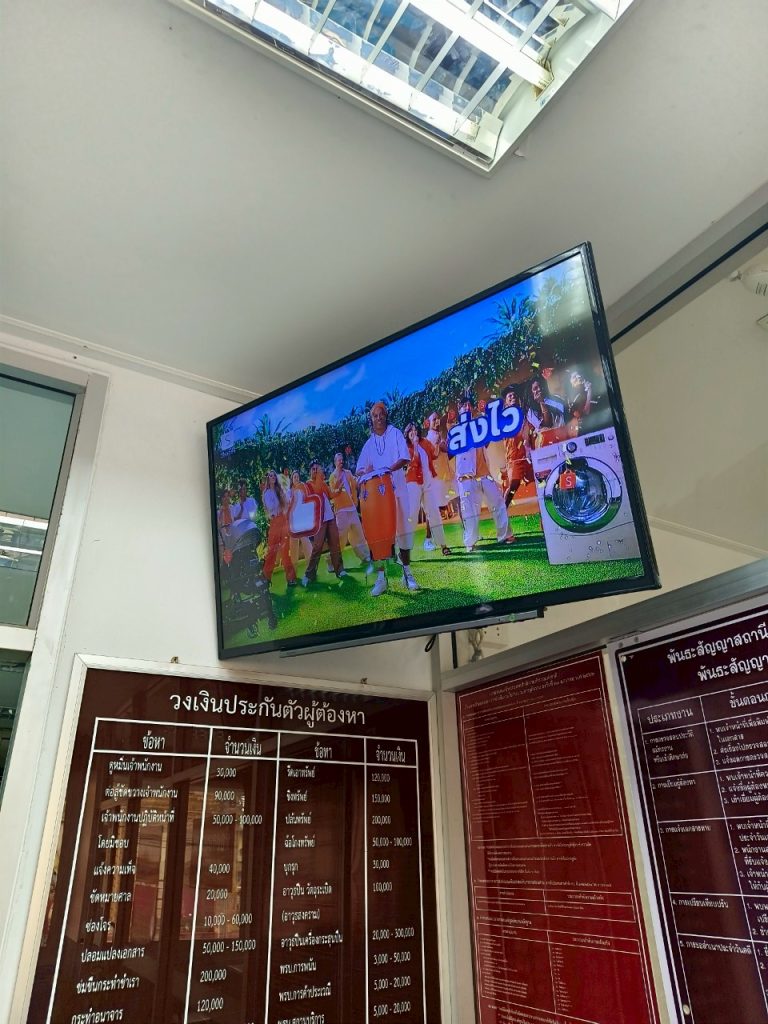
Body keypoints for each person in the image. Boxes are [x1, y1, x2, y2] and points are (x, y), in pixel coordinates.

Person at [356, 401, 418, 597]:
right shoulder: (368, 444)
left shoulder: (396, 433)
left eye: (381, 414)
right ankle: (382, 579)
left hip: (398, 491)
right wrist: (366, 471)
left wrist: (385, 471)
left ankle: (407, 573)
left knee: (404, 532)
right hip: (378, 499)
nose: (378, 418)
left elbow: (405, 458)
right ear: (371, 419)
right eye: (375, 415)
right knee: (379, 536)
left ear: (386, 415)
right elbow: (359, 470)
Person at [454, 394, 511, 551]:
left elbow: (486, 441)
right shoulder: (456, 431)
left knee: (498, 503)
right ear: (459, 409)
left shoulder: (479, 425)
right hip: (466, 478)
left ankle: (505, 535)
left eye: (468, 405)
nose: (467, 407)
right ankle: (470, 543)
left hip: (485, 475)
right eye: (463, 405)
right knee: (470, 513)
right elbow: (448, 449)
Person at [404, 423, 451, 556]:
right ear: (407, 433)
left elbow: (434, 454)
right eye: (411, 430)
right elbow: (414, 462)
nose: (414, 432)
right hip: (413, 483)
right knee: (412, 515)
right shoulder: (406, 447)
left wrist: (438, 442)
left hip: (428, 483)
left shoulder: (425, 442)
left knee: (434, 513)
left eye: (415, 430)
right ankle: (404, 550)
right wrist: (415, 445)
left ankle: (443, 545)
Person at [301, 462, 347, 586]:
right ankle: (309, 575)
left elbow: (331, 494)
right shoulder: (308, 485)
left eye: (317, 469)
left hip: (330, 517)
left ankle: (340, 570)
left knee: (335, 544)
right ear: (310, 472)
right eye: (313, 469)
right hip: (319, 520)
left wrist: (338, 490)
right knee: (317, 547)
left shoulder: (322, 483)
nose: (315, 471)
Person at [329, 453, 374, 573]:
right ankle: (331, 561)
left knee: (358, 534)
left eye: (342, 460)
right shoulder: (332, 476)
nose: (341, 462)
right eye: (339, 460)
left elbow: (356, 483)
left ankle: (365, 556)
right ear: (335, 462)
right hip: (341, 511)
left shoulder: (348, 473)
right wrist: (338, 485)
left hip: (352, 509)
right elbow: (332, 492)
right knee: (341, 538)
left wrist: (365, 473)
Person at [501, 384, 535, 506]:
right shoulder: (504, 417)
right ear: (506, 401)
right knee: (513, 486)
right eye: (509, 396)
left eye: (514, 395)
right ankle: (503, 510)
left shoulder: (525, 414)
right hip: (515, 458)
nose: (513, 397)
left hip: (530, 456)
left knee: (541, 478)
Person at [261, 470, 297, 586]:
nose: (272, 477)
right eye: (270, 476)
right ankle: (266, 579)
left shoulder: (280, 490)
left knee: (285, 551)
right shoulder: (267, 493)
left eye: (274, 476)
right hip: (275, 522)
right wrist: (281, 500)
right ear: (268, 479)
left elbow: (287, 503)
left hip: (283, 520)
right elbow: (271, 507)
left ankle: (291, 578)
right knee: (272, 551)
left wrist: (285, 498)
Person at [526, 375, 567, 447]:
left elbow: (566, 413)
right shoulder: (530, 412)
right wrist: (541, 402)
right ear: (531, 393)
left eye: (540, 386)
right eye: (535, 388)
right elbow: (547, 425)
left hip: (564, 436)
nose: (539, 389)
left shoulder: (555, 398)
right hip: (548, 443)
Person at [287, 469, 314, 566]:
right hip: (293, 520)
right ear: (292, 479)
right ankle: (293, 566)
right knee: (293, 543)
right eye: (295, 477)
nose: (296, 478)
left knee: (305, 540)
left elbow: (307, 500)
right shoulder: (289, 491)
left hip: (301, 519)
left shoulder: (302, 487)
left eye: (297, 477)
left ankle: (310, 563)